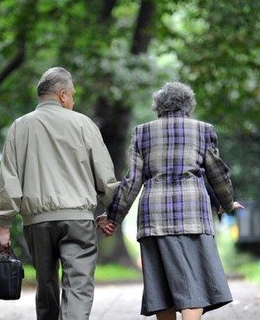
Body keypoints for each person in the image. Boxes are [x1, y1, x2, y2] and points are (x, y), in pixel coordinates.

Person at [96, 81, 244, 320]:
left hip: (154, 218)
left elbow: (132, 180)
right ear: (189, 105)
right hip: (193, 215)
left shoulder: (143, 132)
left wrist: (113, 217)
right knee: (194, 283)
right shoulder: (203, 130)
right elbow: (218, 173)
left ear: (158, 106)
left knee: (160, 287)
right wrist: (227, 203)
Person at [0, 67, 119, 320]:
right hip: (78, 221)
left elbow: (9, 182)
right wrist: (112, 211)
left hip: (37, 223)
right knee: (78, 287)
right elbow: (105, 176)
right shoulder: (84, 124)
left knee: (46, 286)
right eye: (71, 94)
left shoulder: (20, 126)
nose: (73, 100)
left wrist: (4, 225)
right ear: (62, 95)